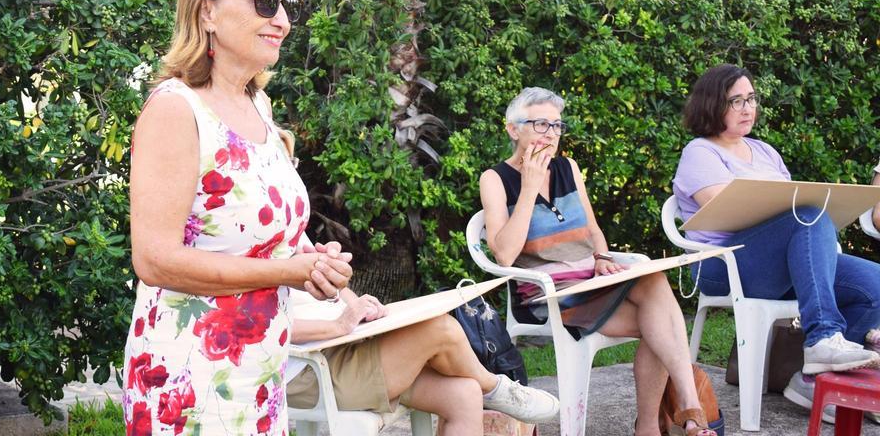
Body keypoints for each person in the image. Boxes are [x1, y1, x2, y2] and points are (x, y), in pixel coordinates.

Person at [123, 0, 353, 436]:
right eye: (264, 0)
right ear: (207, 11)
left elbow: (278, 238)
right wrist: (288, 271)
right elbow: (154, 258)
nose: (284, 20)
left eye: (289, 3)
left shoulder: (259, 109)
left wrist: (319, 266)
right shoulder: (175, 109)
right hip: (187, 380)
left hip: (261, 372)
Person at [480, 87, 716, 436]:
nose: (552, 134)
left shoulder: (568, 167)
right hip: (550, 297)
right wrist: (529, 188)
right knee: (660, 324)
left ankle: (674, 415)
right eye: (541, 124)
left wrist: (602, 257)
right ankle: (670, 420)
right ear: (514, 129)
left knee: (653, 283)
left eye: (557, 126)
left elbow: (593, 230)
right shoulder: (495, 179)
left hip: (596, 283)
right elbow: (504, 254)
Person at [673, 64, 880, 417]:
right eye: (735, 100)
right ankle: (822, 339)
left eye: (751, 98)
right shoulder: (700, 151)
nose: (747, 108)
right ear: (711, 105)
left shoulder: (766, 151)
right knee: (809, 213)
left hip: (779, 265)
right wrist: (798, 216)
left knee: (873, 284)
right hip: (723, 265)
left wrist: (803, 222)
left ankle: (815, 381)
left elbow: (790, 213)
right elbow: (729, 211)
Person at [286, 288, 560, 434]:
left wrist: (359, 306)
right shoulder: (249, 235)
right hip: (308, 369)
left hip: (347, 346)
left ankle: (487, 389)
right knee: (440, 330)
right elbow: (253, 328)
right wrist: (338, 326)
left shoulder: (285, 218)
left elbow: (332, 284)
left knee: (463, 395)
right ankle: (496, 387)